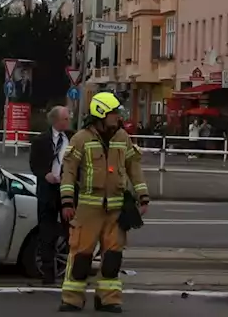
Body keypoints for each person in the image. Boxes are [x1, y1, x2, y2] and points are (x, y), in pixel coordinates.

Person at [58, 92, 149, 313]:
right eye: (114, 113)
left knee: (113, 257)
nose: (118, 117)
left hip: (116, 209)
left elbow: (133, 169)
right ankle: (72, 298)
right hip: (89, 207)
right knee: (81, 255)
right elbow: (68, 172)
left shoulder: (122, 138)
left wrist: (143, 196)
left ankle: (108, 299)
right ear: (100, 114)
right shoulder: (81, 139)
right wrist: (67, 202)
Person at [30, 105, 72, 284]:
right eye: (65, 119)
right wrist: (45, 174)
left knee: (71, 231)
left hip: (67, 191)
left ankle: (71, 271)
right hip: (48, 190)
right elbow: (34, 164)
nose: (68, 121)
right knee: (46, 232)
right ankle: (48, 273)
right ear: (56, 121)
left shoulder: (73, 138)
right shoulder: (41, 140)